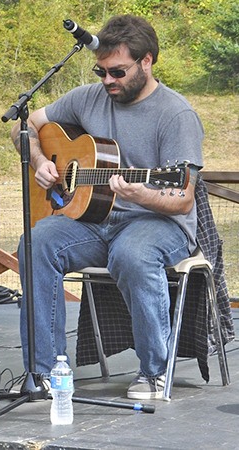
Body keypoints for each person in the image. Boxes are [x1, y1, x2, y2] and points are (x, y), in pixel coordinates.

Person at [11, 15, 204, 400]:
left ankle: (153, 372)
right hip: (94, 219)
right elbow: (26, 124)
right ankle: (47, 373)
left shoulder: (176, 115)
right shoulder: (88, 97)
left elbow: (182, 198)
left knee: (131, 253)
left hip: (158, 223)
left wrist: (139, 194)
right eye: (100, 71)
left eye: (117, 72)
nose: (107, 81)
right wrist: (39, 161)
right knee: (36, 244)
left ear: (146, 62)